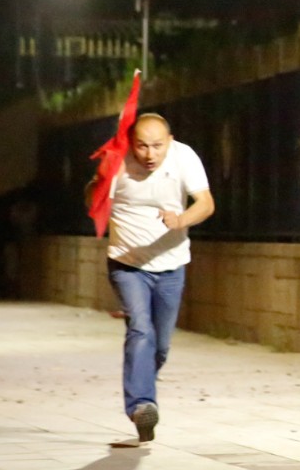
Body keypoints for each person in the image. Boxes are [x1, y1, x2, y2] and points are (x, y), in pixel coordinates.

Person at [83, 113, 215, 444]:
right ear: (132, 143)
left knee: (161, 346)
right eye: (142, 146)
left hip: (172, 265)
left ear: (169, 141)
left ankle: (142, 389)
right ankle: (142, 405)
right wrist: (98, 185)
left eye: (157, 146)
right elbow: (93, 202)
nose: (150, 154)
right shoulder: (118, 161)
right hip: (127, 264)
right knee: (140, 328)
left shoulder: (184, 156)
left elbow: (206, 203)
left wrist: (181, 219)